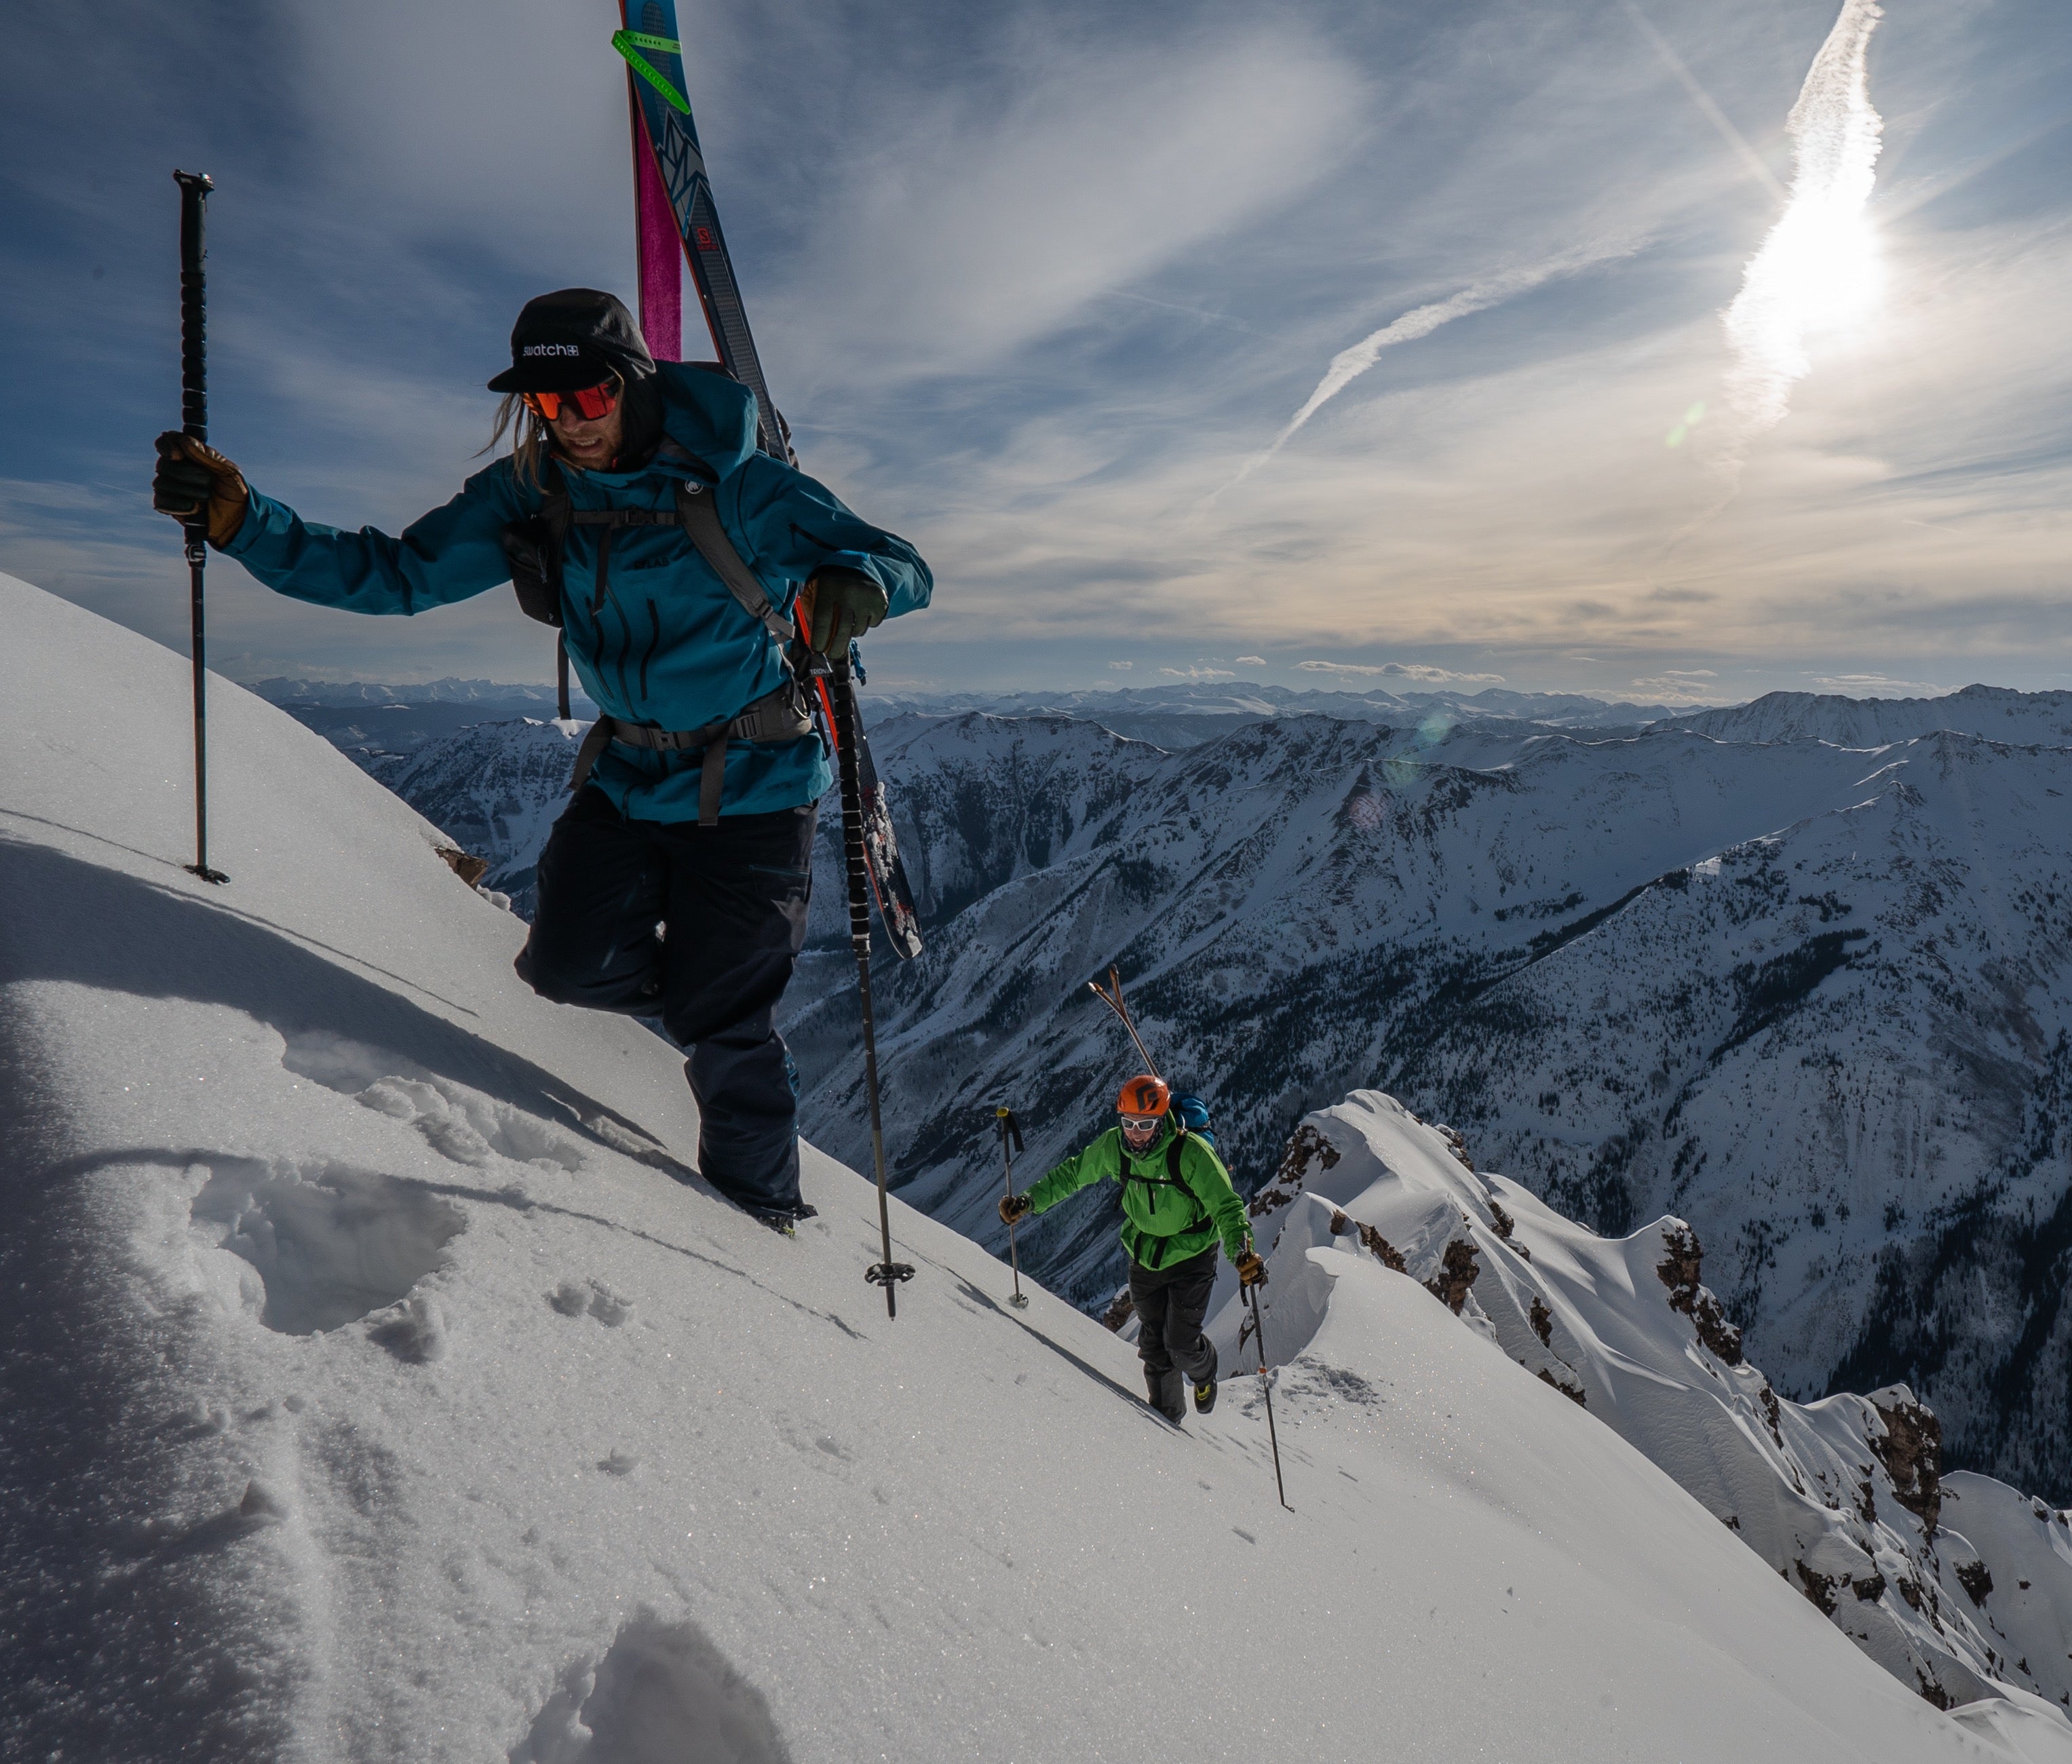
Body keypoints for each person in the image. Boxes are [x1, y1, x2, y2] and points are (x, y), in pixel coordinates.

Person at [151, 288, 930, 1233]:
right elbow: (400, 575)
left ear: (631, 385)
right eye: (544, 404)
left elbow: (899, 560)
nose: (566, 423)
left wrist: (862, 580)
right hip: (630, 779)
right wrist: (246, 524)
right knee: (563, 967)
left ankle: (761, 1220)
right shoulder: (536, 489)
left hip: (756, 787)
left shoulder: (742, 485)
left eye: (586, 399)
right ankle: (718, 1007)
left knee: (729, 1033)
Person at [1001, 1075, 1265, 1422]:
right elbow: (1073, 1174)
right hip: (1144, 1256)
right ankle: (1167, 1421)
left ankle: (1204, 1372)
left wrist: (1241, 1253)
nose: (1135, 1133)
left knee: (1182, 1346)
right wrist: (1029, 1201)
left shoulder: (1190, 1153)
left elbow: (1227, 1208)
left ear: (1161, 1120)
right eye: (1128, 1123)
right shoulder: (1115, 1148)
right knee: (1154, 1347)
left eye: (1145, 1124)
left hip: (1192, 1256)